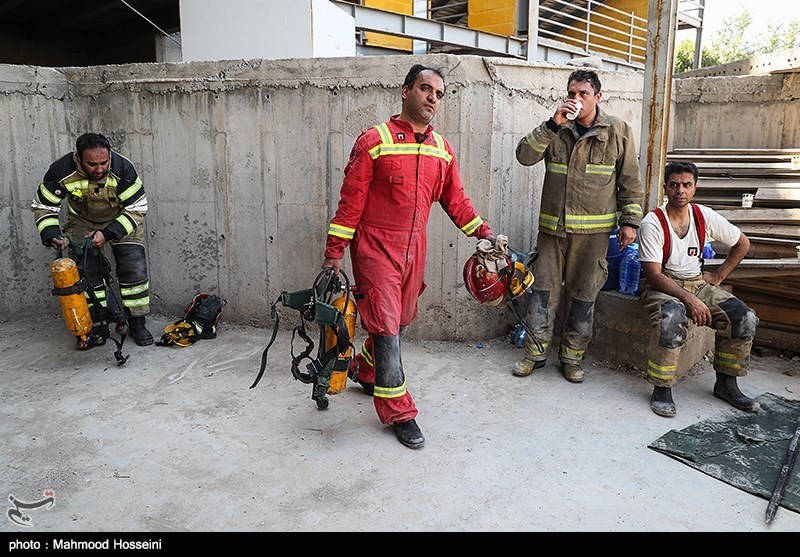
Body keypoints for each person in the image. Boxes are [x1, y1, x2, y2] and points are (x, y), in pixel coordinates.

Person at [322, 64, 495, 449]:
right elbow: (350, 203)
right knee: (385, 325)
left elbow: (457, 201)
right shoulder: (374, 141)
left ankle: (365, 371)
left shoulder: (442, 150)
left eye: (439, 93)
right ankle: (398, 411)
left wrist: (484, 233)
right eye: (425, 89)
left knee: (401, 322)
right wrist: (335, 251)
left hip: (414, 249)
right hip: (375, 247)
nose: (432, 98)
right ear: (405, 92)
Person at [513, 69, 644, 383]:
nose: (575, 100)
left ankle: (571, 359)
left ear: (598, 98)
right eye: (572, 93)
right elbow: (524, 156)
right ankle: (534, 354)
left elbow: (630, 182)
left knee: (583, 298)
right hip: (552, 232)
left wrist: (630, 222)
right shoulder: (555, 126)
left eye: (583, 94)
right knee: (542, 294)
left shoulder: (618, 131)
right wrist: (550, 124)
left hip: (594, 236)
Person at [638, 161, 760, 417]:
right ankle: (662, 388)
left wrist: (717, 276)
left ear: (695, 188)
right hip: (662, 285)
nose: (680, 190)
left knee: (743, 316)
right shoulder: (653, 222)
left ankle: (727, 384)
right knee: (671, 317)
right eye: (674, 185)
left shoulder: (704, 216)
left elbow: (742, 243)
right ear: (665, 188)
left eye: (686, 185)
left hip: (697, 281)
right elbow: (653, 274)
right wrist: (689, 300)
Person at [31, 132, 153, 348]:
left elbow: (137, 208)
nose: (99, 169)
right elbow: (44, 206)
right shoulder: (61, 171)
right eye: (92, 164)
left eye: (104, 163)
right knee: (87, 272)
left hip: (122, 218)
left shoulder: (123, 169)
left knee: (133, 267)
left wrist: (107, 234)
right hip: (82, 222)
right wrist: (53, 235)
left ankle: (137, 323)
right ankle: (98, 323)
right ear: (78, 158)